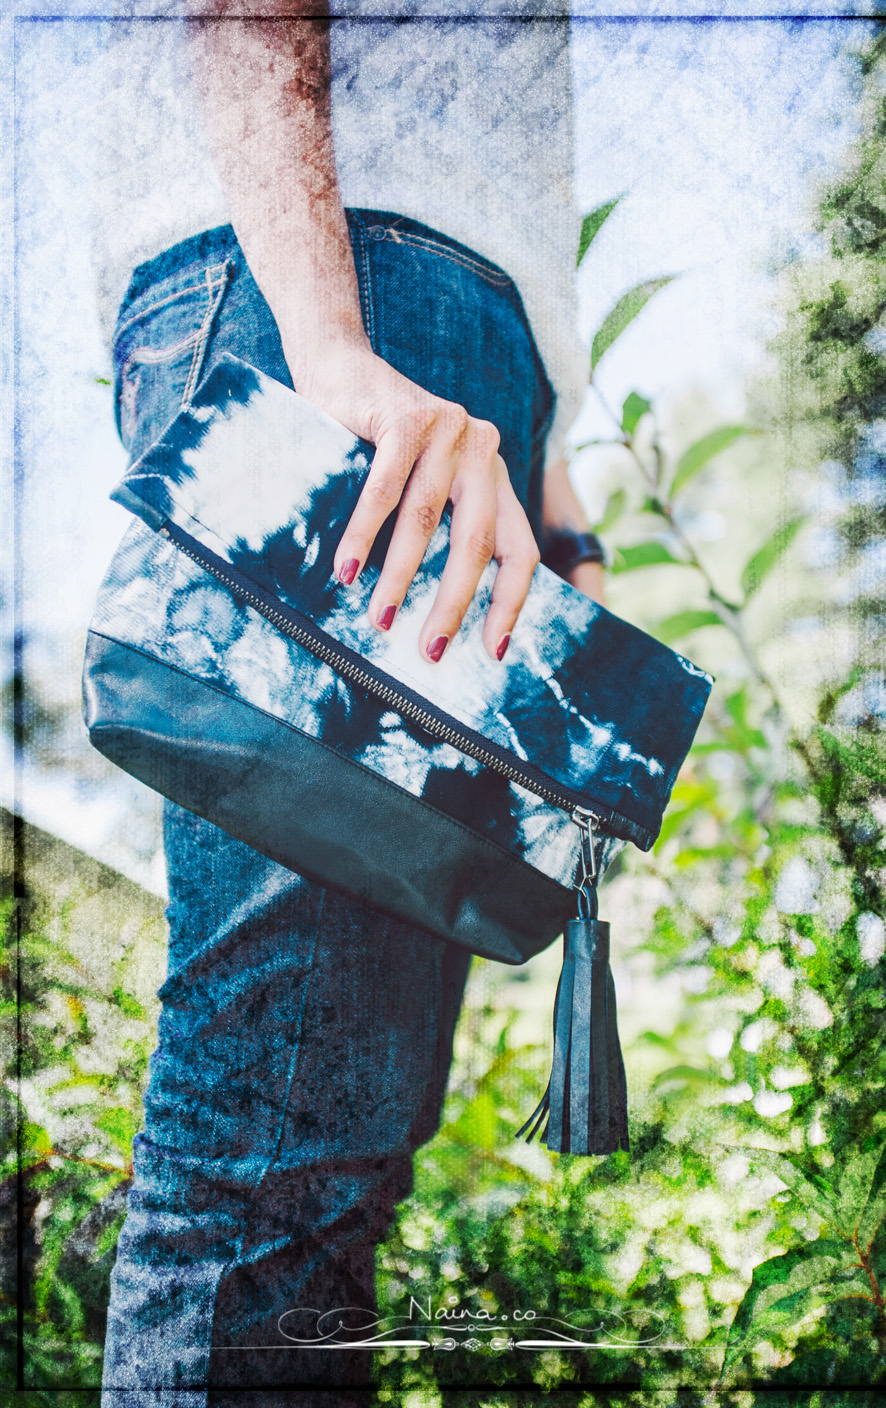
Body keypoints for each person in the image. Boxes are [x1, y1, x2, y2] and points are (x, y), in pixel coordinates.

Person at [97, 1, 604, 1402]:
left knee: (338, 1150)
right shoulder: (342, 324)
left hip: (452, 365)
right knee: (272, 1145)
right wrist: (328, 345)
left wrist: (561, 513)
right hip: (345, 305)